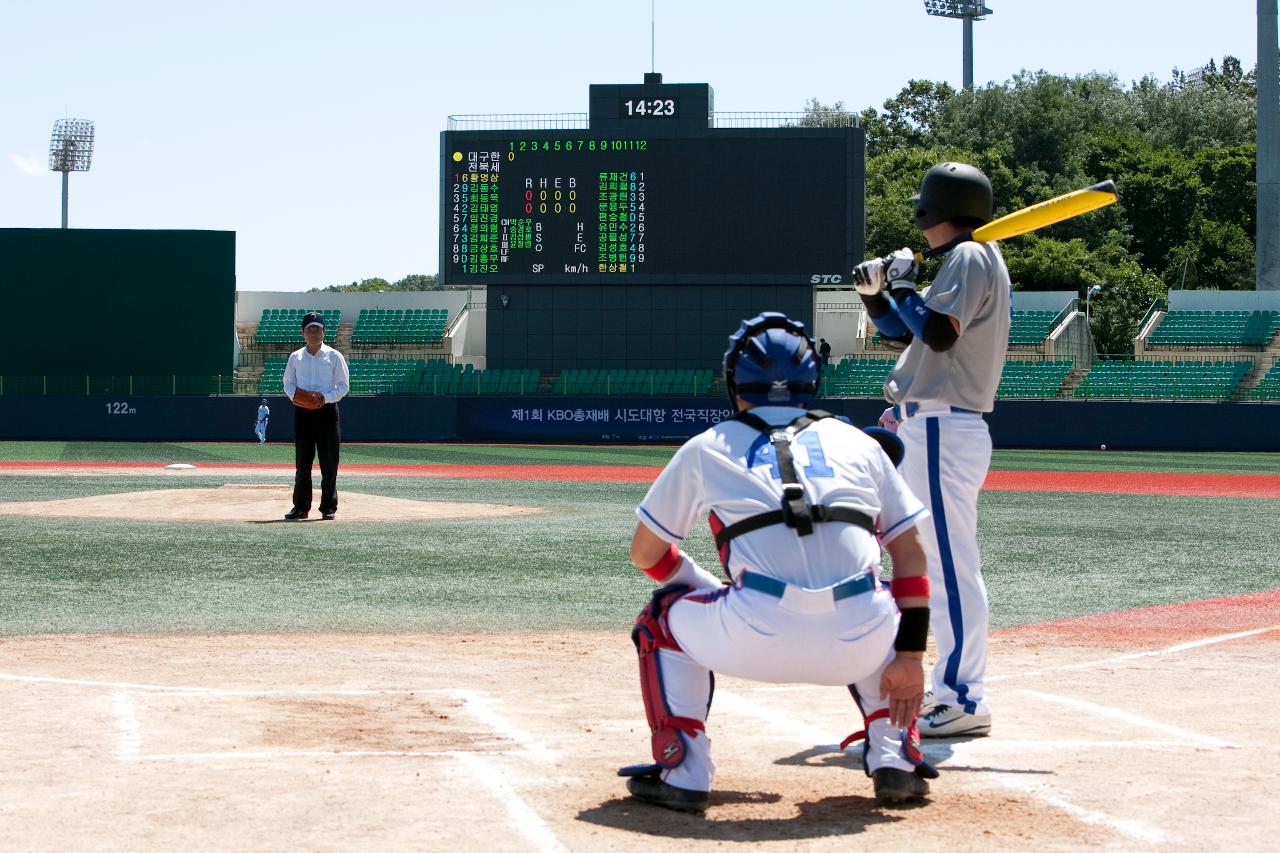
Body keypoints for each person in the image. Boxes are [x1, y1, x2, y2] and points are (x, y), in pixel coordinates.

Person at [619, 312, 938, 813]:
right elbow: (911, 553)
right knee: (882, 600)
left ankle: (683, 769)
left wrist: (695, 582)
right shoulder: (860, 442)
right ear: (812, 381)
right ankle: (896, 759)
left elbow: (646, 553)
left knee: (660, 619)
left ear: (734, 383)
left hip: (750, 635)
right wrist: (912, 658)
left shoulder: (709, 446)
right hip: (859, 643)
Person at [851, 162, 1010, 738]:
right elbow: (910, 334)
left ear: (932, 208)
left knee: (947, 564)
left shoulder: (971, 256)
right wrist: (877, 298)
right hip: (927, 423)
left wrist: (901, 285)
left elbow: (939, 331)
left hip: (945, 424)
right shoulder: (965, 259)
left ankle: (964, 697)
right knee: (929, 557)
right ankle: (951, 690)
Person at [282, 312, 349, 520]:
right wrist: (299, 398)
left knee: (329, 462)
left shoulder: (334, 356)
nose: (313, 332)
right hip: (303, 414)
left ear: (324, 332)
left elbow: (343, 387)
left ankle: (328, 507)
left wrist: (323, 398)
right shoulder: (295, 357)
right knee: (303, 462)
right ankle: (301, 507)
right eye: (310, 328)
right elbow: (288, 383)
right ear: (303, 333)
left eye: (317, 328)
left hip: (327, 413)